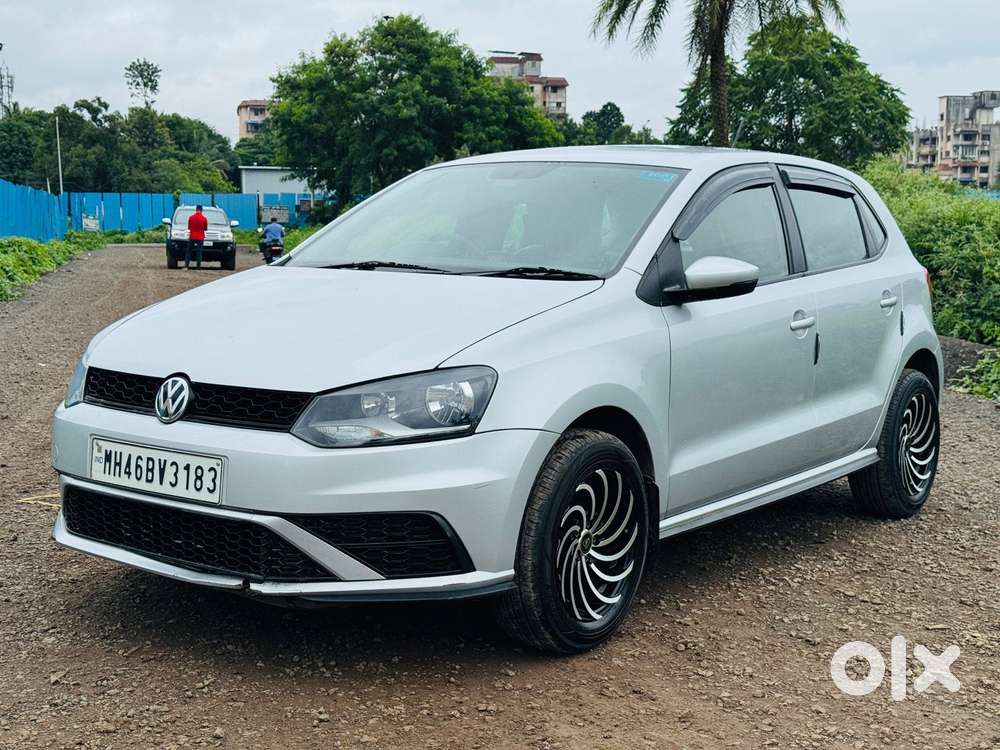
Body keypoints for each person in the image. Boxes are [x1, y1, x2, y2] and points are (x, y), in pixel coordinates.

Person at [185, 205, 209, 270]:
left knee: (189, 251)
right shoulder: (204, 219)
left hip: (192, 236)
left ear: (196, 210)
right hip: (200, 237)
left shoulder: (191, 217)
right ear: (201, 210)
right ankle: (198, 267)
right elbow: (205, 228)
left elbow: (189, 227)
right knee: (199, 252)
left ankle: (186, 266)